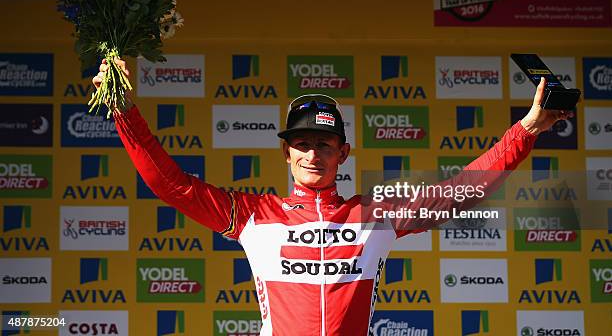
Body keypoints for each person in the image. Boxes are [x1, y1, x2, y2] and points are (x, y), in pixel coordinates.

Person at [94, 58, 573, 336]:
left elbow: (461, 190)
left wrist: (528, 127)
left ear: (343, 152)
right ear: (285, 153)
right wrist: (123, 111)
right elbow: (170, 184)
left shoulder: (375, 214)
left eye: (323, 144)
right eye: (301, 144)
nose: (312, 154)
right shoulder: (253, 215)